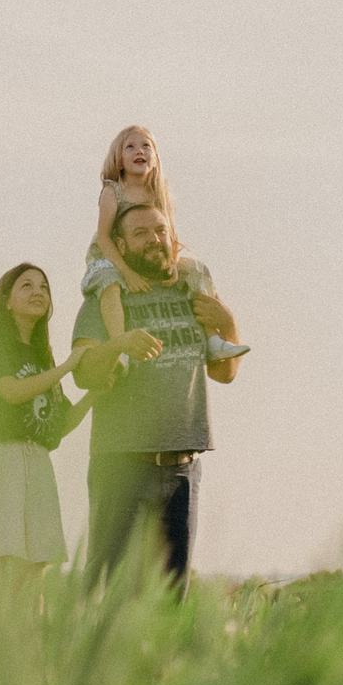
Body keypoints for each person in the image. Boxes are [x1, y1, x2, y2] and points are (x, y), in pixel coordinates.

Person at [71, 202, 244, 584]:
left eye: (160, 230)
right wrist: (118, 345)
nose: (154, 240)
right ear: (119, 243)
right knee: (106, 591)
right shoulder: (108, 295)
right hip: (121, 464)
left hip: (183, 466)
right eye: (140, 234)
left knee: (168, 599)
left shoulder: (192, 292)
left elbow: (224, 372)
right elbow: (83, 373)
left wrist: (230, 325)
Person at [0, 264, 96, 574]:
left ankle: (33, 625)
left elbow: (61, 422)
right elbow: (11, 391)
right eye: (27, 286)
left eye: (44, 287)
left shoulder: (42, 357)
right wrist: (65, 368)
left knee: (35, 570)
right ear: (7, 300)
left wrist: (95, 393)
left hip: (37, 463)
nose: (38, 292)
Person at [86, 125, 249, 365]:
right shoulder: (113, 192)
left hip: (151, 253)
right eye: (129, 147)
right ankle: (120, 347)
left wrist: (172, 261)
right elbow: (104, 238)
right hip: (112, 256)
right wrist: (127, 273)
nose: (138, 151)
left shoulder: (159, 191)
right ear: (119, 160)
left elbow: (168, 232)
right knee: (109, 283)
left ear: (155, 158)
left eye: (145, 146)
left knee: (196, 271)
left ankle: (212, 340)